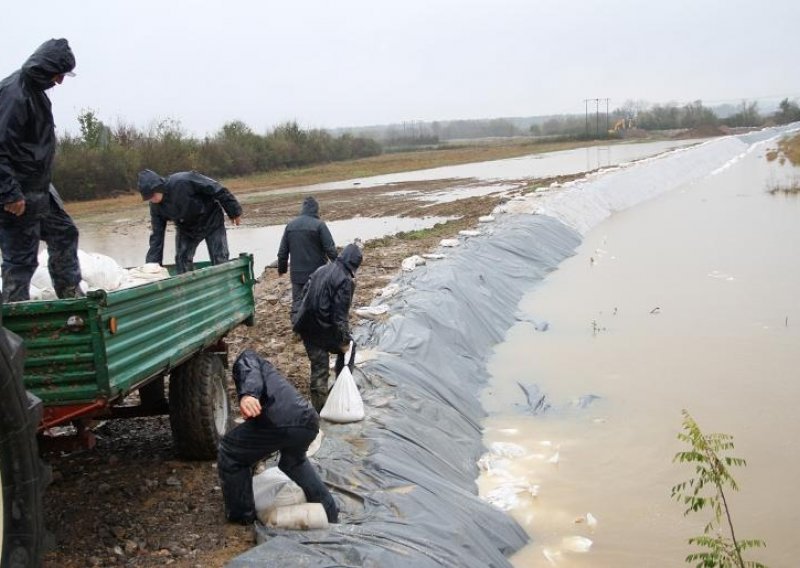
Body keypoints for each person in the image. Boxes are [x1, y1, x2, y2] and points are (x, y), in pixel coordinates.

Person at [0, 38, 83, 302]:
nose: (59, 81)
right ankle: (15, 323)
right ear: (46, 68)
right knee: (21, 260)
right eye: (58, 74)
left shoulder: (35, 93)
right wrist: (10, 193)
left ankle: (70, 295)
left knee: (64, 232)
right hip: (17, 192)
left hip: (39, 189)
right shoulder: (14, 94)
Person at [218, 349, 339, 525]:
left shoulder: (246, 357)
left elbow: (249, 370)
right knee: (293, 462)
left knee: (230, 451)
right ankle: (330, 511)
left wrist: (248, 394)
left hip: (282, 420)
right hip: (307, 421)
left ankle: (242, 516)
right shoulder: (269, 372)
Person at [293, 243, 362, 412]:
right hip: (322, 328)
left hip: (306, 326)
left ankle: (319, 410)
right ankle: (341, 389)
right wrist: (345, 340)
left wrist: (295, 320)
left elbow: (303, 296)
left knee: (319, 367)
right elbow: (340, 317)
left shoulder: (321, 270)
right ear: (354, 265)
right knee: (350, 348)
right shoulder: (345, 280)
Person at [138, 169, 242, 274]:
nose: (152, 199)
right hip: (186, 228)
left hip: (211, 220)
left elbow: (216, 188)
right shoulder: (156, 207)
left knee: (220, 258)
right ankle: (186, 287)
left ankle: (224, 285)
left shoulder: (182, 181)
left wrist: (234, 211)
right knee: (181, 260)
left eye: (153, 195)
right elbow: (157, 236)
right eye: (148, 198)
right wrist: (152, 266)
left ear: (158, 187)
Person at [276, 196, 337, 321]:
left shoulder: (290, 226)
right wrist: (339, 266)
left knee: (298, 301)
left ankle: (297, 326)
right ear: (316, 210)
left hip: (297, 273)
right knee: (318, 299)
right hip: (317, 272)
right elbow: (330, 249)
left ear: (302, 209)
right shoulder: (320, 225)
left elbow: (282, 253)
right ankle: (318, 325)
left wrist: (282, 270)